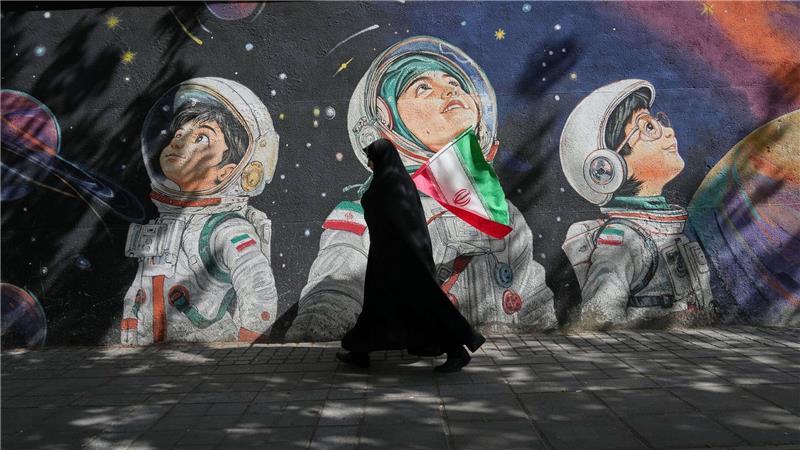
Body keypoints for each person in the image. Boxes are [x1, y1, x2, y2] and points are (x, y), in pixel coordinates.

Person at [287, 36, 556, 342]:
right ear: (387, 120)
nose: (450, 89)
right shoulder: (360, 212)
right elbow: (336, 287)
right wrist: (313, 334)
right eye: (423, 87)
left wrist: (549, 342)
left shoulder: (500, 209)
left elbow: (530, 290)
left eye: (454, 82)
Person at [120, 77, 280, 344]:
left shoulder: (225, 228)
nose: (178, 142)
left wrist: (251, 345)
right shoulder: (163, 225)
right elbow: (140, 284)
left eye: (201, 137)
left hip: (208, 348)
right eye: (179, 134)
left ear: (229, 172)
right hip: (153, 350)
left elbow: (257, 285)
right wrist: (130, 320)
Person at [560, 79, 715, 329]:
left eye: (658, 122)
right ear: (608, 167)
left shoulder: (671, 234)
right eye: (649, 127)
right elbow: (600, 318)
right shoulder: (622, 240)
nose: (669, 131)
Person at [336, 139, 485, 372]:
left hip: (404, 260)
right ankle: (360, 351)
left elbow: (392, 216)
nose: (369, 162)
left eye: (371, 157)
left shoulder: (392, 184)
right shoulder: (392, 181)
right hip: (388, 258)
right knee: (378, 305)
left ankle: (457, 351)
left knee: (425, 305)